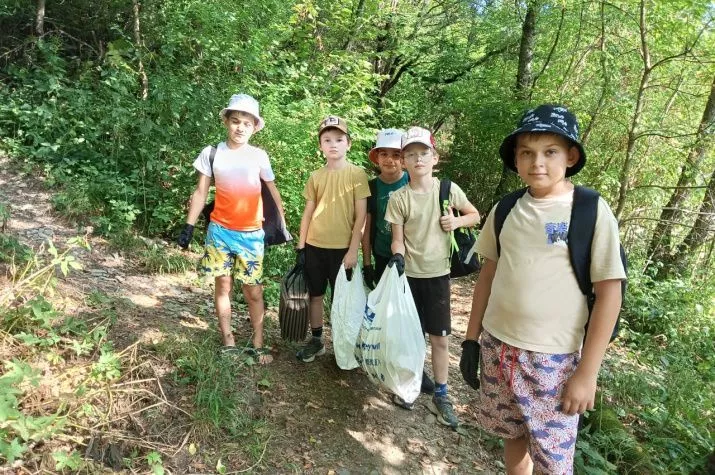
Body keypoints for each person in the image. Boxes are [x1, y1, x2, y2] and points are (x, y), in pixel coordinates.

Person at [461, 104, 626, 474]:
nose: (537, 162)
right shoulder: (506, 208)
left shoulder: (590, 211)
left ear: (571, 156)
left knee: (553, 460)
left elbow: (610, 294)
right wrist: (471, 340)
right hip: (498, 347)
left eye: (550, 152)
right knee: (511, 434)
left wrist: (587, 373)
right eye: (526, 153)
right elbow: (488, 275)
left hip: (554, 361)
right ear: (516, 159)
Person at [177, 94, 285, 364]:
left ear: (255, 127)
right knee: (223, 286)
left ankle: (258, 344)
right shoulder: (212, 153)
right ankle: (229, 341)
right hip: (220, 232)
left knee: (253, 291)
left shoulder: (259, 156)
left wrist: (281, 226)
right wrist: (189, 225)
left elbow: (272, 192)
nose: (240, 127)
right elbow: (201, 192)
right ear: (226, 121)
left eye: (247, 123)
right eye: (235, 121)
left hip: (251, 234)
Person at [384, 126, 480, 429]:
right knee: (411, 336)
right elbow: (397, 239)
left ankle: (441, 394)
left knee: (439, 337)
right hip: (410, 277)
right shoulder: (398, 198)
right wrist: (397, 257)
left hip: (439, 276)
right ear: (403, 162)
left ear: (434, 157)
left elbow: (475, 215)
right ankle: (410, 387)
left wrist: (456, 221)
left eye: (423, 153)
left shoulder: (447, 189)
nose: (418, 159)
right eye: (411, 154)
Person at [295, 116, 370, 363]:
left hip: (342, 250)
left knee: (342, 299)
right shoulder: (316, 176)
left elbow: (361, 216)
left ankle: (343, 344)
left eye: (339, 139)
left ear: (349, 144)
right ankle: (317, 341)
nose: (333, 144)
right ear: (320, 146)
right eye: (327, 140)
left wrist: (353, 250)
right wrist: (301, 247)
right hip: (315, 246)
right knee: (315, 295)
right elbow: (308, 213)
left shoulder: (357, 174)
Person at [361, 128, 408, 289]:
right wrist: (367, 264)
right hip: (382, 255)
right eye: (384, 154)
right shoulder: (372, 187)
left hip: (412, 257)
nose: (389, 160)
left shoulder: (412, 181)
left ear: (403, 158)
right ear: (377, 158)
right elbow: (367, 228)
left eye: (396, 154)